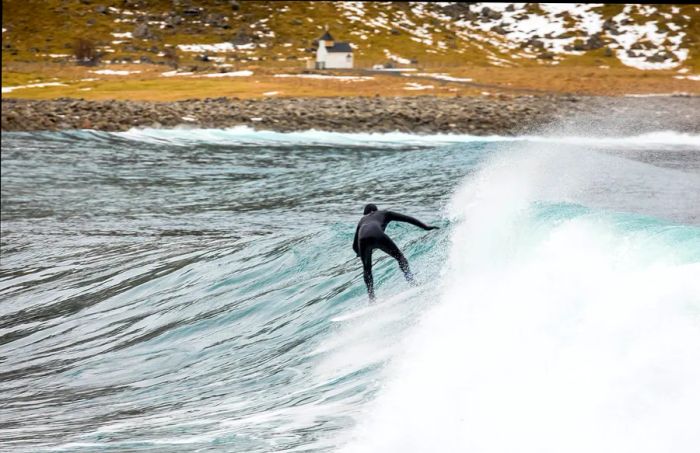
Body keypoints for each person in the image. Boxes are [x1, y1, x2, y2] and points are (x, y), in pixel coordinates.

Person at [352, 203, 439, 301]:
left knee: (367, 269)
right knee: (400, 258)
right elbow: (407, 218)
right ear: (375, 210)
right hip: (377, 235)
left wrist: (361, 253)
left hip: (362, 240)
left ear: (366, 213)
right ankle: (412, 282)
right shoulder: (385, 213)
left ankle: (372, 298)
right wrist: (425, 227)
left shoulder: (362, 220)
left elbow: (354, 247)